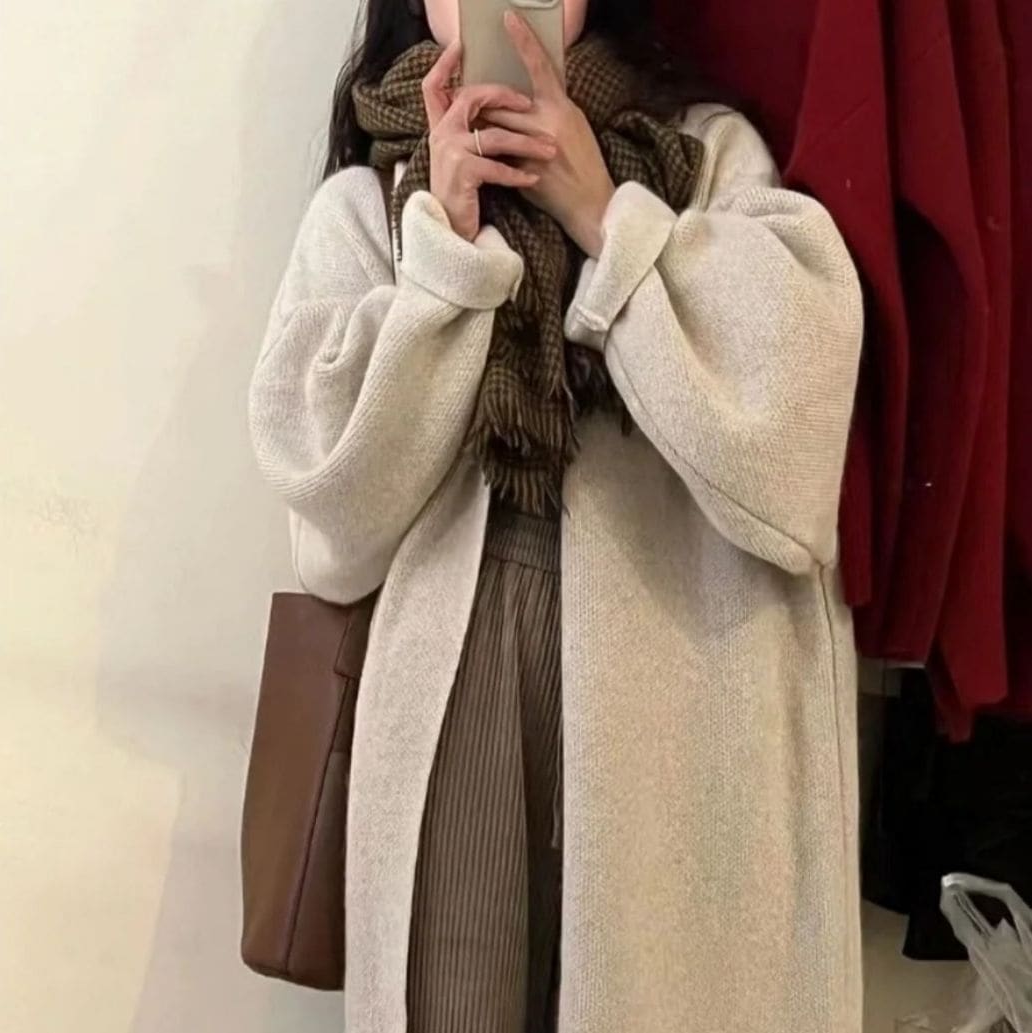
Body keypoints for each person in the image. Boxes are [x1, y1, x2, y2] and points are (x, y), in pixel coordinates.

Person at [246, 0, 865, 1030]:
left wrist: (603, 212)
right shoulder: (369, 200)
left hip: (671, 680)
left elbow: (790, 450)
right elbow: (331, 530)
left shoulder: (705, 155)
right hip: (457, 682)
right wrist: (444, 250)